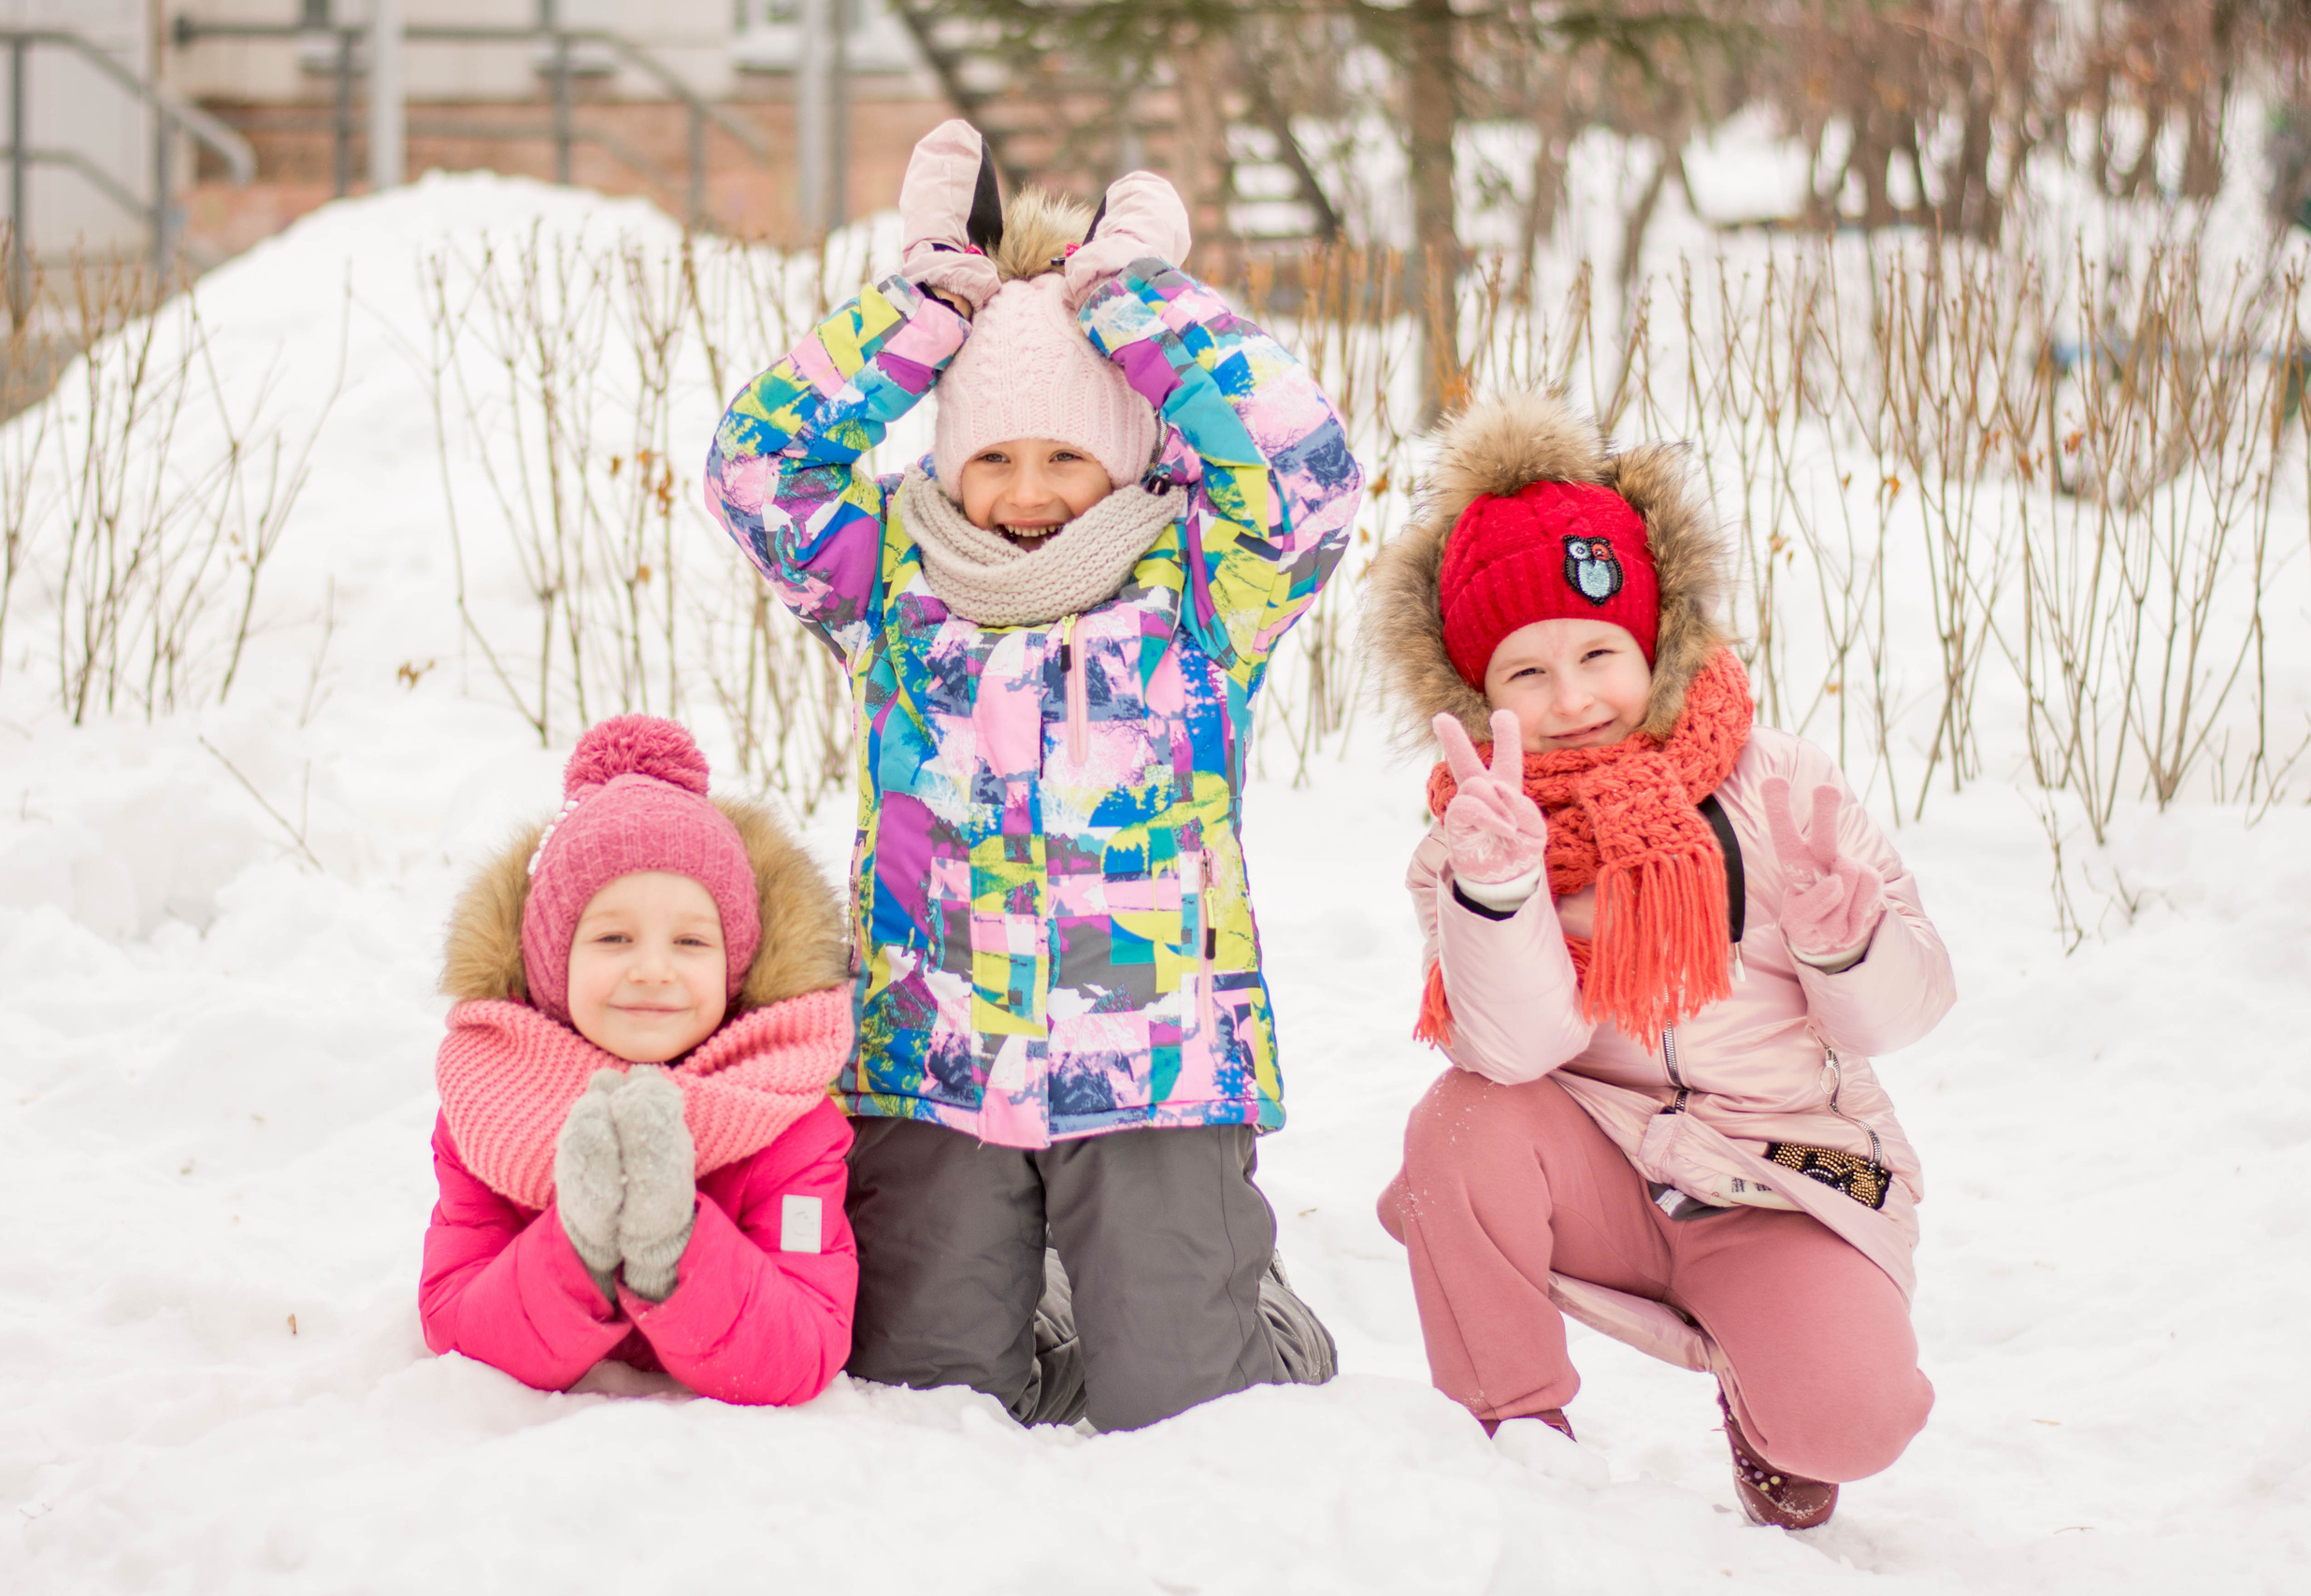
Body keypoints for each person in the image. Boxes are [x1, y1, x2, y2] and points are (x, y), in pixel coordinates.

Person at [702, 122, 1358, 1431]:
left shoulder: (1201, 590)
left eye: (1066, 454)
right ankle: (1053, 1288)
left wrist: (1132, 302)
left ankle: (1240, 1296)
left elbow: (1306, 473)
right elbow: (757, 468)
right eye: (992, 456)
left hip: (1154, 1060)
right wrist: (930, 307)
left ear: (1128, 453)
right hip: (934, 1058)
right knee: (926, 1396)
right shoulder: (893, 584)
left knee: (1183, 1404)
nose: (1026, 492)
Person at [1364, 392, 1952, 1527]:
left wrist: (1853, 945)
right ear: (1475, 694)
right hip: (1591, 1159)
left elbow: (1904, 1013)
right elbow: (1516, 1048)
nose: (1572, 698)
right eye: (1524, 676)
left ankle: (1771, 1391)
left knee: (1855, 1423)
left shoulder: (1778, 783)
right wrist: (1495, 888)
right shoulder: (1475, 823)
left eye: (1597, 653)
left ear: (1656, 643)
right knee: (1459, 1120)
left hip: (1777, 1173)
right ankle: (1513, 1434)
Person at [420, 714, 857, 1406]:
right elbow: (454, 1316)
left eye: (690, 942)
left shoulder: (786, 1108)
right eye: (615, 937)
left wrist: (674, 1245)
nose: (653, 970)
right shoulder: (491, 1098)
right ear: (550, 962)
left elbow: (806, 1343)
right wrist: (578, 1247)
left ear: (736, 965)